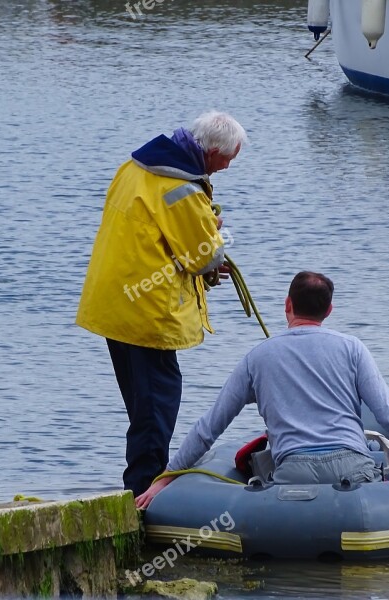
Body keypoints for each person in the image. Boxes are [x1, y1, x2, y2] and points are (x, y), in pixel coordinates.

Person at [135, 271, 389, 508]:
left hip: (292, 472)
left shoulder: (258, 357)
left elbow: (210, 426)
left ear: (287, 304)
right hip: (353, 467)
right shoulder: (352, 348)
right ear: (329, 310)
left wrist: (165, 479)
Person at [76, 111, 248, 497]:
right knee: (157, 405)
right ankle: (144, 493)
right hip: (146, 314)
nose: (227, 168)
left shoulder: (135, 167)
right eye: (228, 159)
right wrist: (213, 233)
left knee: (142, 405)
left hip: (113, 305)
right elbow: (204, 257)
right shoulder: (181, 188)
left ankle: (137, 488)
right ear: (212, 151)